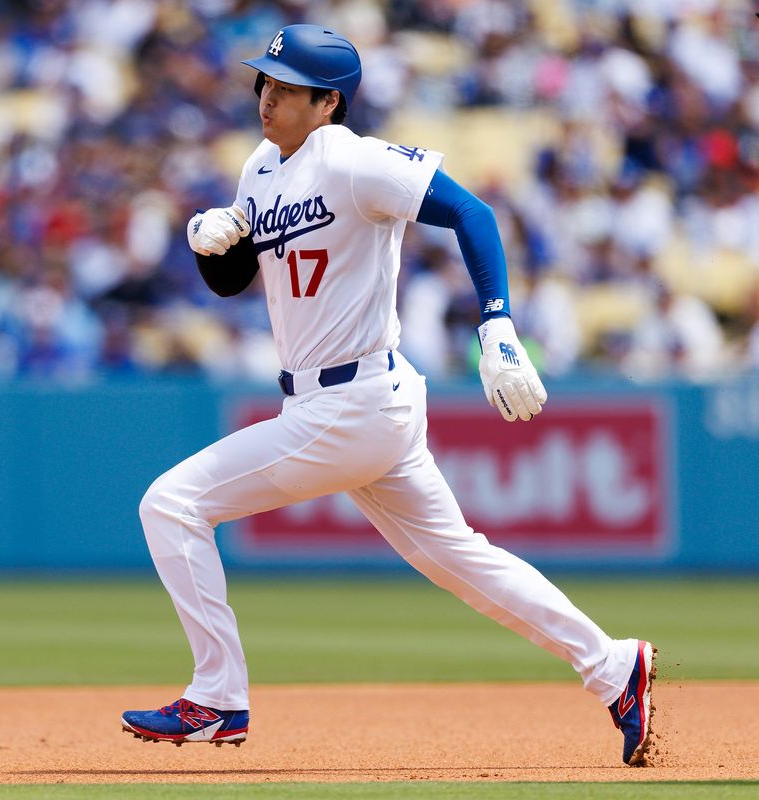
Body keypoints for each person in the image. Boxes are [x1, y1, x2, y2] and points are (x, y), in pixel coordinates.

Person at [120, 25, 656, 766]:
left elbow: (474, 213)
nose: (266, 96)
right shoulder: (260, 166)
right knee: (463, 560)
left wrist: (497, 324)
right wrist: (218, 242)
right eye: (264, 82)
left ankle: (218, 698)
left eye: (284, 86)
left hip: (350, 401)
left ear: (328, 101)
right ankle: (614, 666)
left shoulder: (352, 159)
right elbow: (234, 279)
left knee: (171, 504)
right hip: (348, 405)